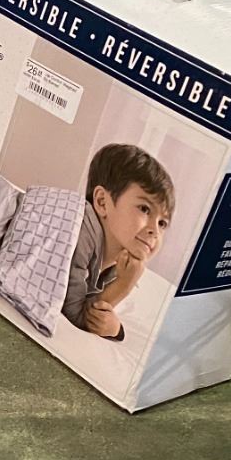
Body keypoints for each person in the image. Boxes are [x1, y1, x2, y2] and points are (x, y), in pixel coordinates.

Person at [64, 143, 174, 341]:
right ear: (102, 202)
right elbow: (74, 315)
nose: (155, 230)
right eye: (145, 209)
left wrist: (116, 329)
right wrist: (124, 285)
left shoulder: (119, 263)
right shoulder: (78, 232)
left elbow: (92, 308)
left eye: (162, 223)